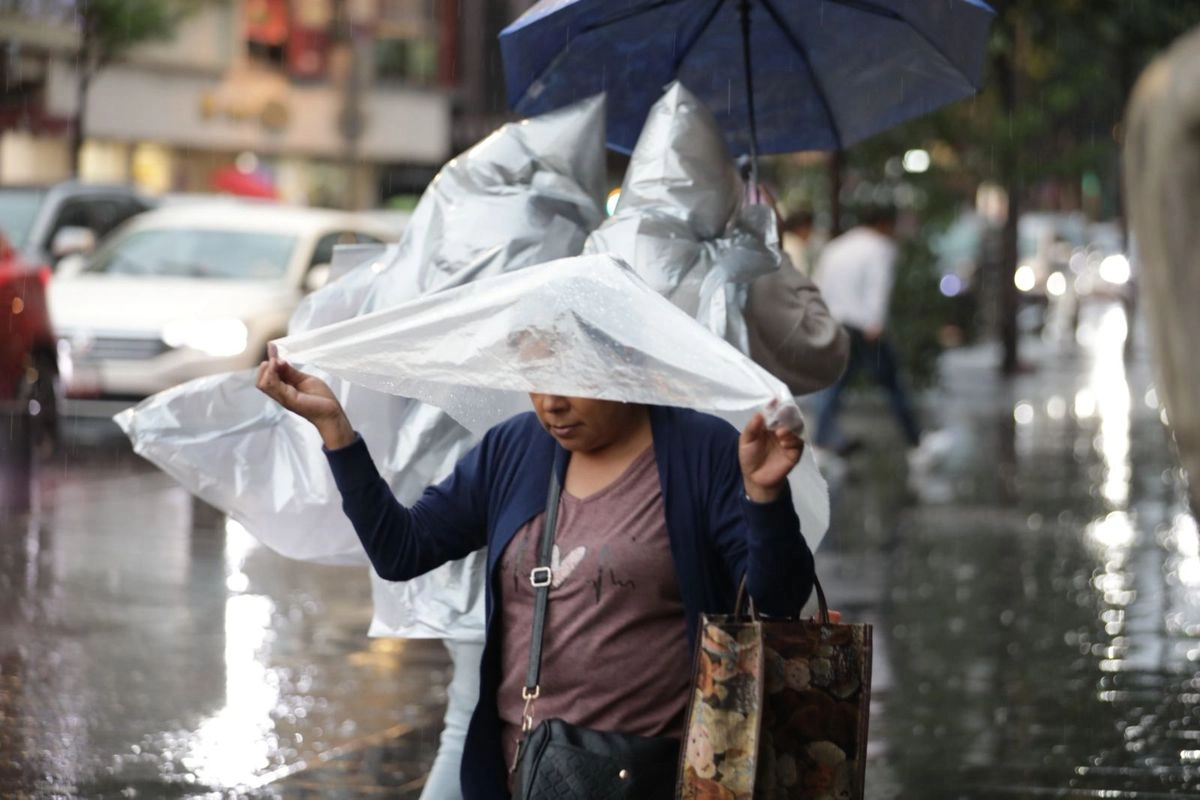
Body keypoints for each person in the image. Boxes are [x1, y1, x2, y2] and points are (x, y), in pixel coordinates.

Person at [255, 352, 815, 800]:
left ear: (626, 365)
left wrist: (765, 496)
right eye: (536, 376)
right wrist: (336, 431)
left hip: (654, 772)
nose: (552, 403)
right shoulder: (515, 448)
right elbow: (402, 551)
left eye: (573, 378)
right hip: (524, 768)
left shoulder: (700, 451)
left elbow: (778, 604)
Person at [810, 204, 927, 463]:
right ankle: (916, 442)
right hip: (864, 327)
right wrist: (876, 322)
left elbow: (818, 284)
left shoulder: (837, 246)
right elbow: (878, 288)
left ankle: (820, 441)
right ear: (885, 224)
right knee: (892, 384)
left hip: (836, 323)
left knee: (834, 384)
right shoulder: (880, 249)